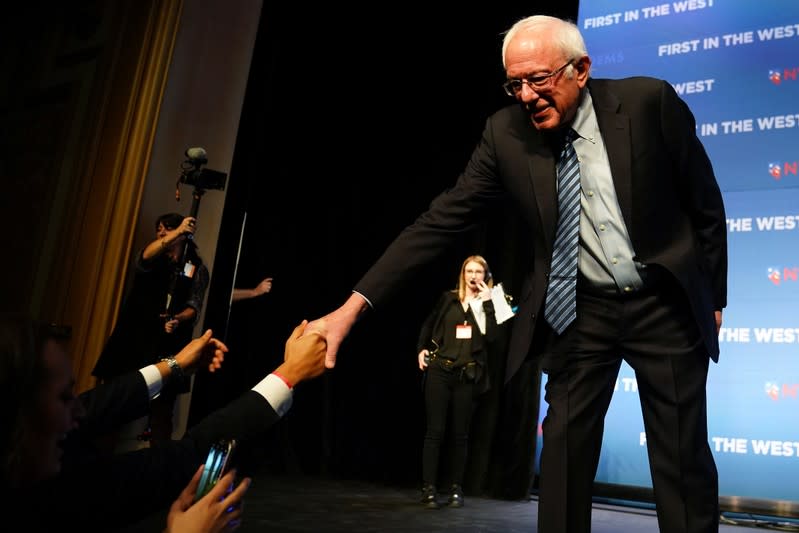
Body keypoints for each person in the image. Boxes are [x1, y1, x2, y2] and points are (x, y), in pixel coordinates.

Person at [305, 14, 727, 533]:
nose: (525, 96)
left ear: (581, 69)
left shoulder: (647, 104)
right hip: (581, 311)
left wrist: (712, 295)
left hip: (662, 302)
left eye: (538, 79)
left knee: (681, 462)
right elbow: (439, 221)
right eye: (515, 84)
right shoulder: (504, 134)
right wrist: (352, 309)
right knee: (562, 465)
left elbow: (704, 204)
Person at [0, 313, 327, 531]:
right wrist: (289, 375)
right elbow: (185, 457)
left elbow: (102, 403)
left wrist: (175, 365)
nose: (80, 410)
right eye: (63, 397)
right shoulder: (56, 496)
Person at [92, 212, 210, 445]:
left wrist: (178, 318)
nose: (162, 233)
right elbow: (144, 257)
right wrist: (178, 232)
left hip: (167, 344)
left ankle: (158, 469)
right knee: (113, 404)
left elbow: (194, 306)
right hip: (134, 339)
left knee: (162, 413)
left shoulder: (195, 267)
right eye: (159, 229)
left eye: (168, 228)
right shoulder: (152, 258)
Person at [417, 255, 503, 509]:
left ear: (486, 275)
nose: (473, 276)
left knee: (460, 435)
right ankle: (429, 488)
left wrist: (488, 304)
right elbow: (429, 325)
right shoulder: (449, 298)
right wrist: (421, 349)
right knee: (435, 432)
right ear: (463, 274)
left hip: (467, 375)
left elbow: (494, 338)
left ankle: (456, 488)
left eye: (479, 271)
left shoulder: (495, 300)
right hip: (440, 371)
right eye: (469, 271)